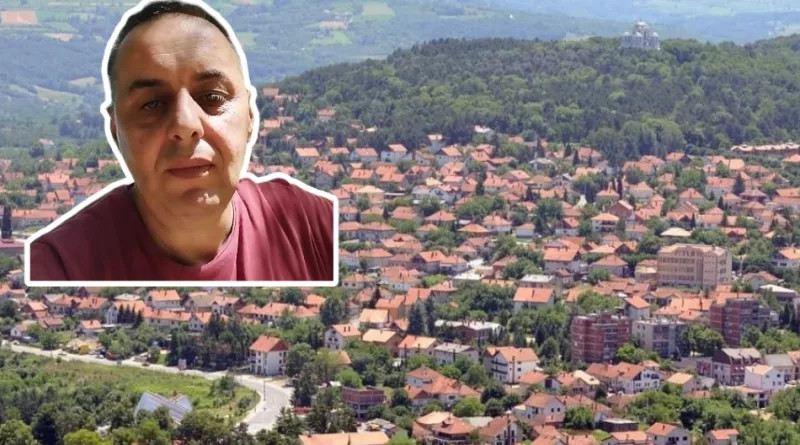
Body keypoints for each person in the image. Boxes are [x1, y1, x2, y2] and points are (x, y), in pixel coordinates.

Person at [26, 0, 336, 282]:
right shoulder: (57, 266)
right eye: (152, 104)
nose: (185, 125)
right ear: (116, 130)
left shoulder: (314, 227)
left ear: (250, 117)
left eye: (213, 97)